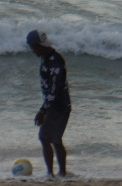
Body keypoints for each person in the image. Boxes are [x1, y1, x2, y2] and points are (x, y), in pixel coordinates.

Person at [27, 30, 71, 178]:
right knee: (53, 139)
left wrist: (42, 111)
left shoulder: (55, 62)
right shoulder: (46, 58)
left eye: (34, 47)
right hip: (54, 105)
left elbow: (56, 89)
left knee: (47, 137)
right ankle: (59, 173)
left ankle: (53, 173)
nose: (33, 50)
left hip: (59, 106)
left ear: (41, 45)